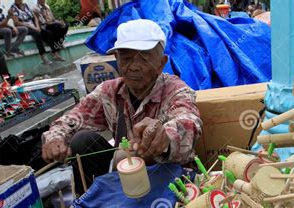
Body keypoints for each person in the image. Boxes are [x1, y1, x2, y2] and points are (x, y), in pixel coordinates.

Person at [42, 20, 203, 195]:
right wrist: (55, 138)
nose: (133, 67)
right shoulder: (108, 91)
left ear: (161, 63)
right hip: (127, 178)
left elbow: (188, 121)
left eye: (144, 58)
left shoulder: (176, 90)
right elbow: (73, 119)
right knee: (83, 141)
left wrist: (165, 137)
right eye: (126, 58)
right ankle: (92, 207)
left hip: (168, 180)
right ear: (117, 60)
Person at [10, 0, 51, 64]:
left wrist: (37, 26)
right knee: (37, 34)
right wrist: (33, 27)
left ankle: (54, 49)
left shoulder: (25, 5)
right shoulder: (13, 8)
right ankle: (43, 56)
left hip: (33, 25)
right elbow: (16, 22)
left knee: (46, 32)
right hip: (24, 27)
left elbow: (34, 17)